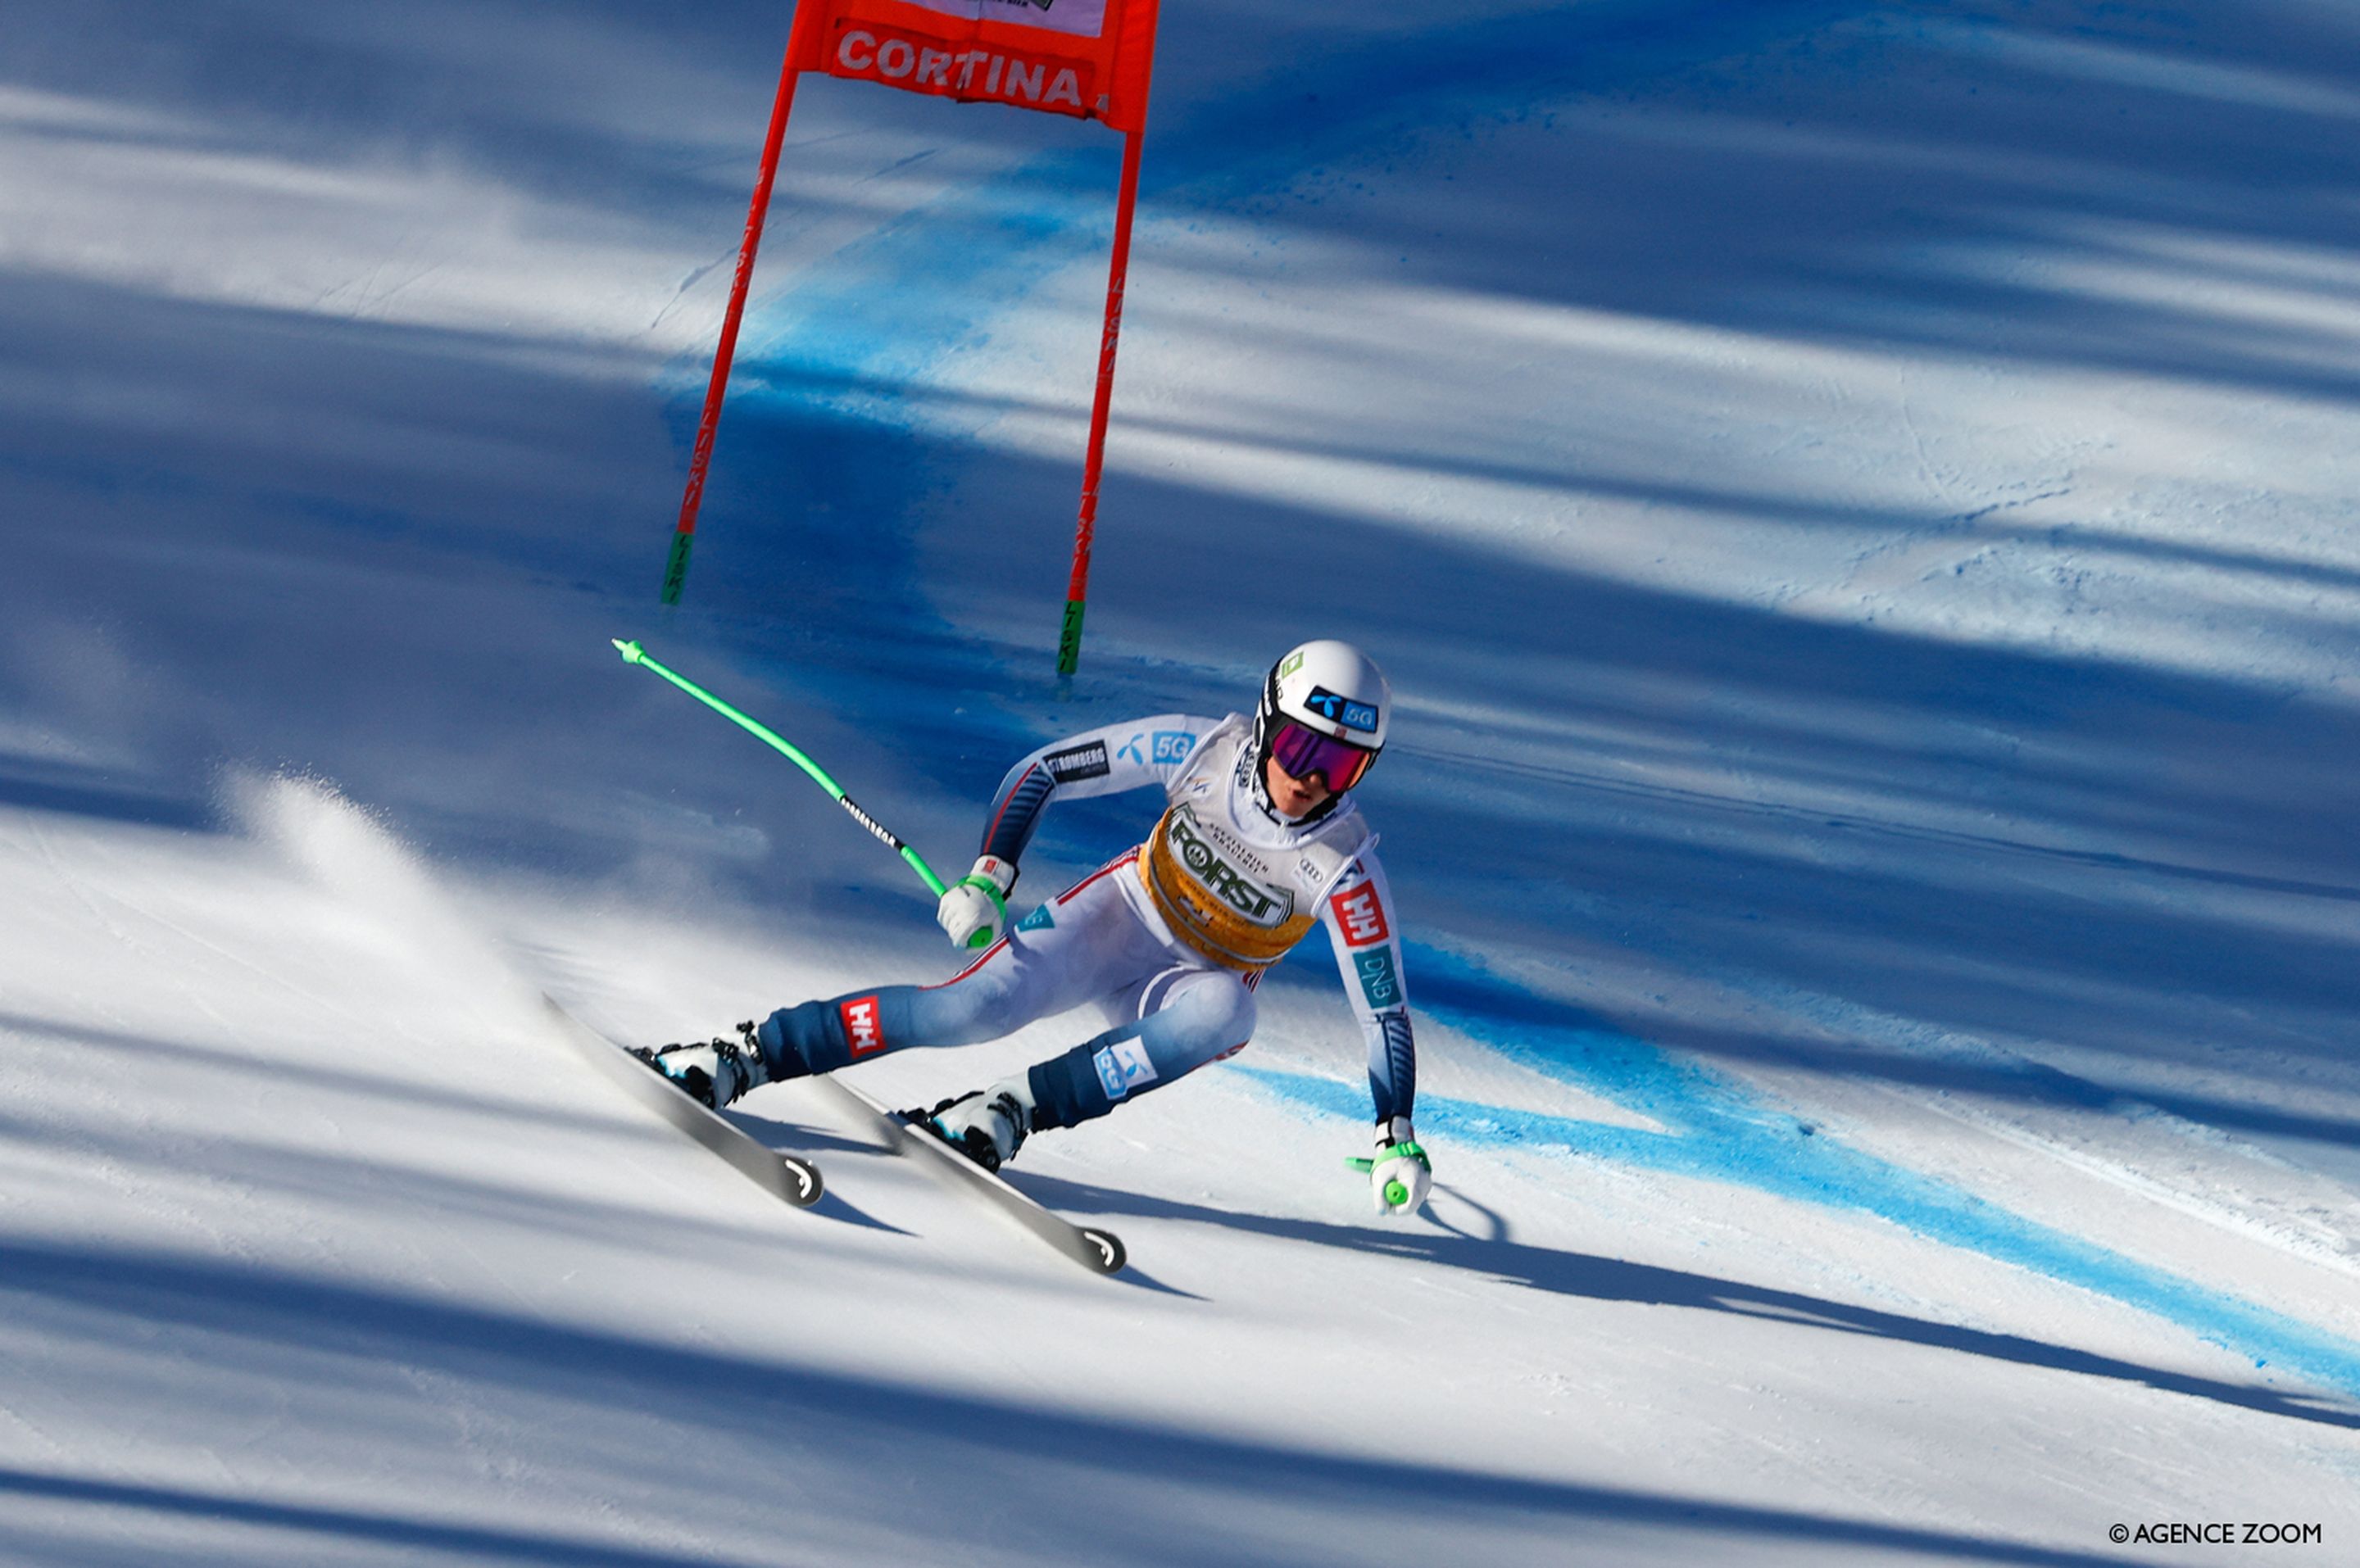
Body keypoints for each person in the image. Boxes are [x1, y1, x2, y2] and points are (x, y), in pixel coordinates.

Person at [642, 639, 1432, 1216]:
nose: (1307, 779)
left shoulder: (1343, 863)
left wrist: (1393, 1130)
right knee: (970, 1010)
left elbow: (1383, 1011)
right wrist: (991, 876)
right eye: (1299, 746)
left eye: (1342, 766)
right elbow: (1045, 769)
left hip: (1186, 986)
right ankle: (748, 1053)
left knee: (1230, 1014)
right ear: (1266, 725)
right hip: (1121, 916)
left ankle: (1013, 1108)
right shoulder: (1203, 748)